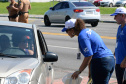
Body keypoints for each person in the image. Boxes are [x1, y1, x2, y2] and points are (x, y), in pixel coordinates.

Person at [61, 18, 115, 84]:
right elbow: (90, 56)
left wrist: (79, 71)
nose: (67, 33)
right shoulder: (87, 31)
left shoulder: (82, 36)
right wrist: (90, 72)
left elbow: (89, 55)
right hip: (109, 60)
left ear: (72, 30)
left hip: (100, 62)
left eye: (67, 31)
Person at [110, 7, 126, 84]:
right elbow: (119, 42)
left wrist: (124, 60)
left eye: (116, 16)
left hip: (124, 62)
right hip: (119, 61)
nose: (114, 18)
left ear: (123, 15)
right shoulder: (119, 27)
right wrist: (115, 52)